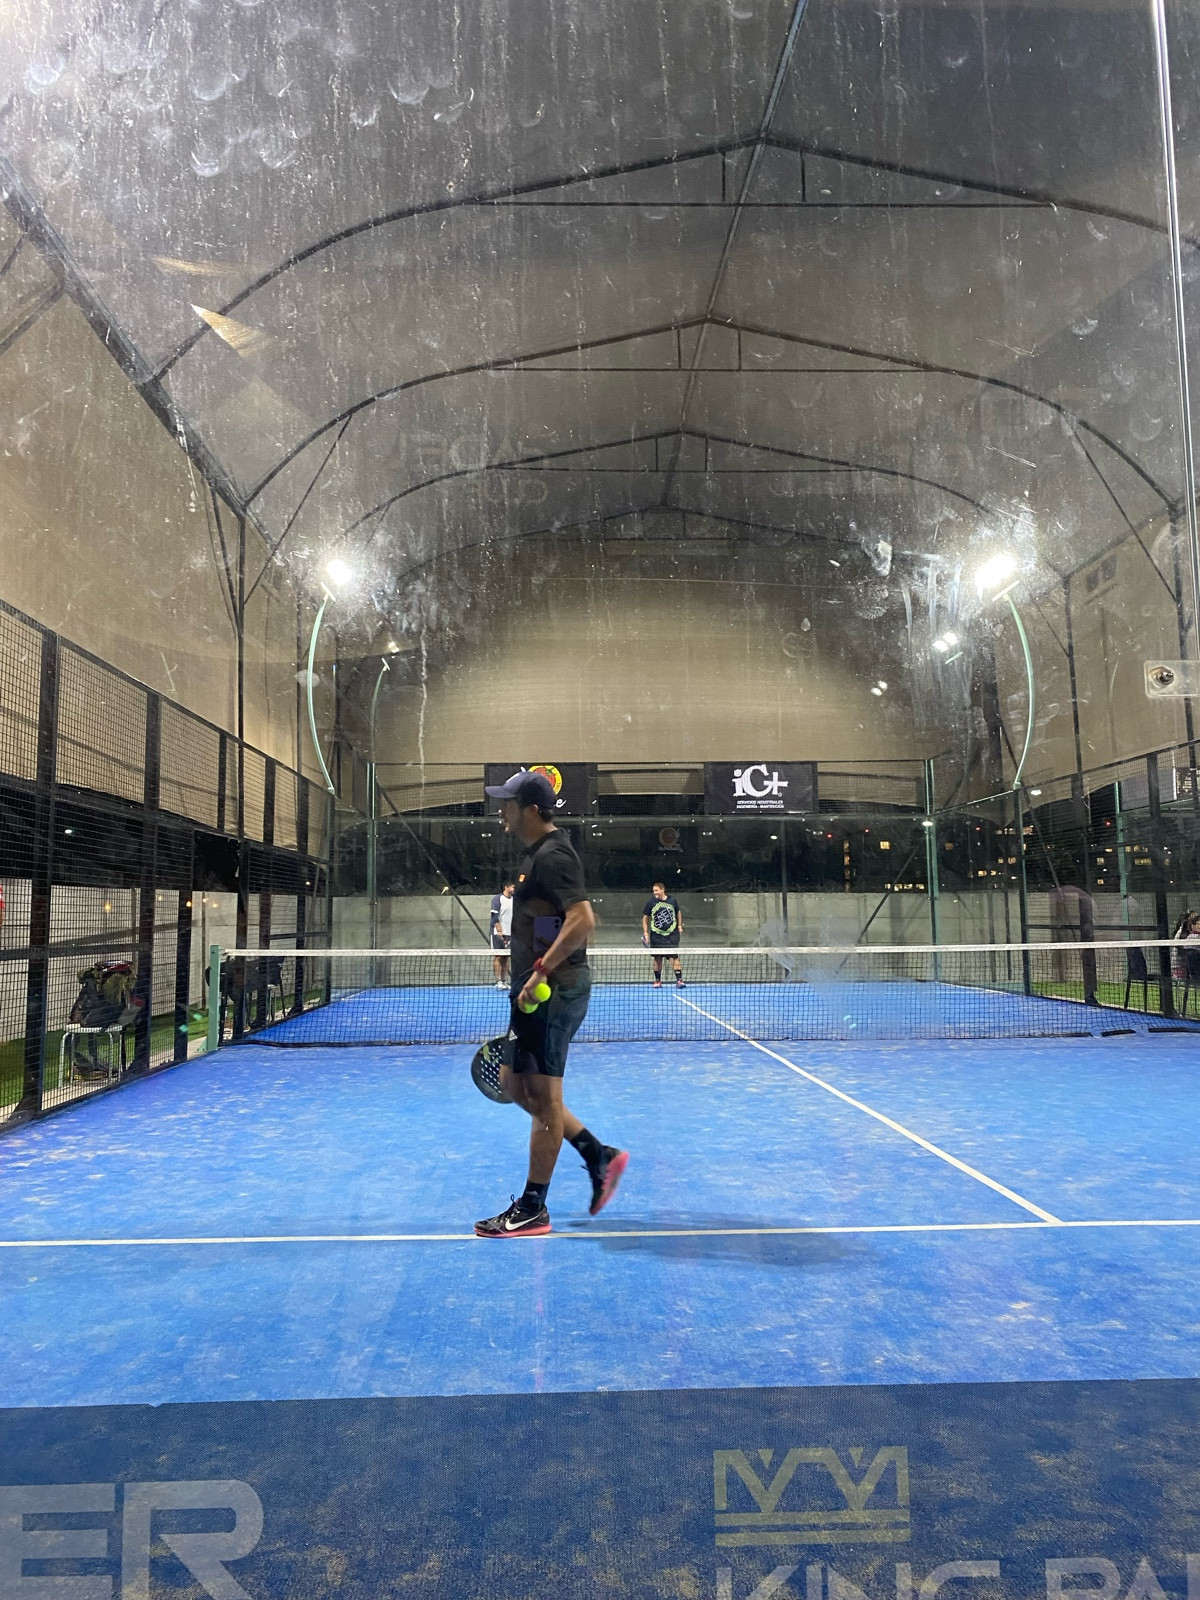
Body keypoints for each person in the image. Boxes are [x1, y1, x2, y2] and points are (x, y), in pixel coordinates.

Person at [475, 770, 627, 1238]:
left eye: (508, 802)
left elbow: (582, 919)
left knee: (543, 1101)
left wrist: (541, 971)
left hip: (553, 993)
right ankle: (597, 1155)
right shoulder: (535, 856)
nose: (500, 810)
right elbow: (551, 921)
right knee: (513, 1085)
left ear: (532, 809)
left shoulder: (554, 856)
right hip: (532, 993)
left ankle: (532, 1208)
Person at [642, 881, 684, 988]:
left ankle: (679, 981)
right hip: (656, 936)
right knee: (657, 958)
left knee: (674, 957)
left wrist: (679, 925)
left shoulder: (672, 901)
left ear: (662, 890)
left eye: (656, 890)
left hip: (672, 935)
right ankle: (657, 981)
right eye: (653, 891)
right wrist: (646, 932)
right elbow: (645, 917)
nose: (655, 892)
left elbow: (678, 912)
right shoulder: (651, 902)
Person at [490, 881, 514, 988]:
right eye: (512, 887)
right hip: (498, 934)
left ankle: (504, 981)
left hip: (510, 933)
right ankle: (498, 981)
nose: (514, 889)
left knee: (506, 957)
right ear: (506, 887)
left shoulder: (514, 900)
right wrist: (499, 930)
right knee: (498, 956)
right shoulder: (497, 899)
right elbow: (494, 916)